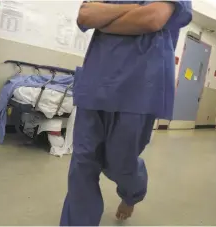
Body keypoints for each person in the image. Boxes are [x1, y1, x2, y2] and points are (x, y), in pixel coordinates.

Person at [60, 1, 192, 225]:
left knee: (121, 163)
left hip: (140, 87)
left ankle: (132, 194)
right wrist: (134, 10)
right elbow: (86, 15)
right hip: (96, 82)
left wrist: (107, 20)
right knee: (83, 163)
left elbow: (153, 18)